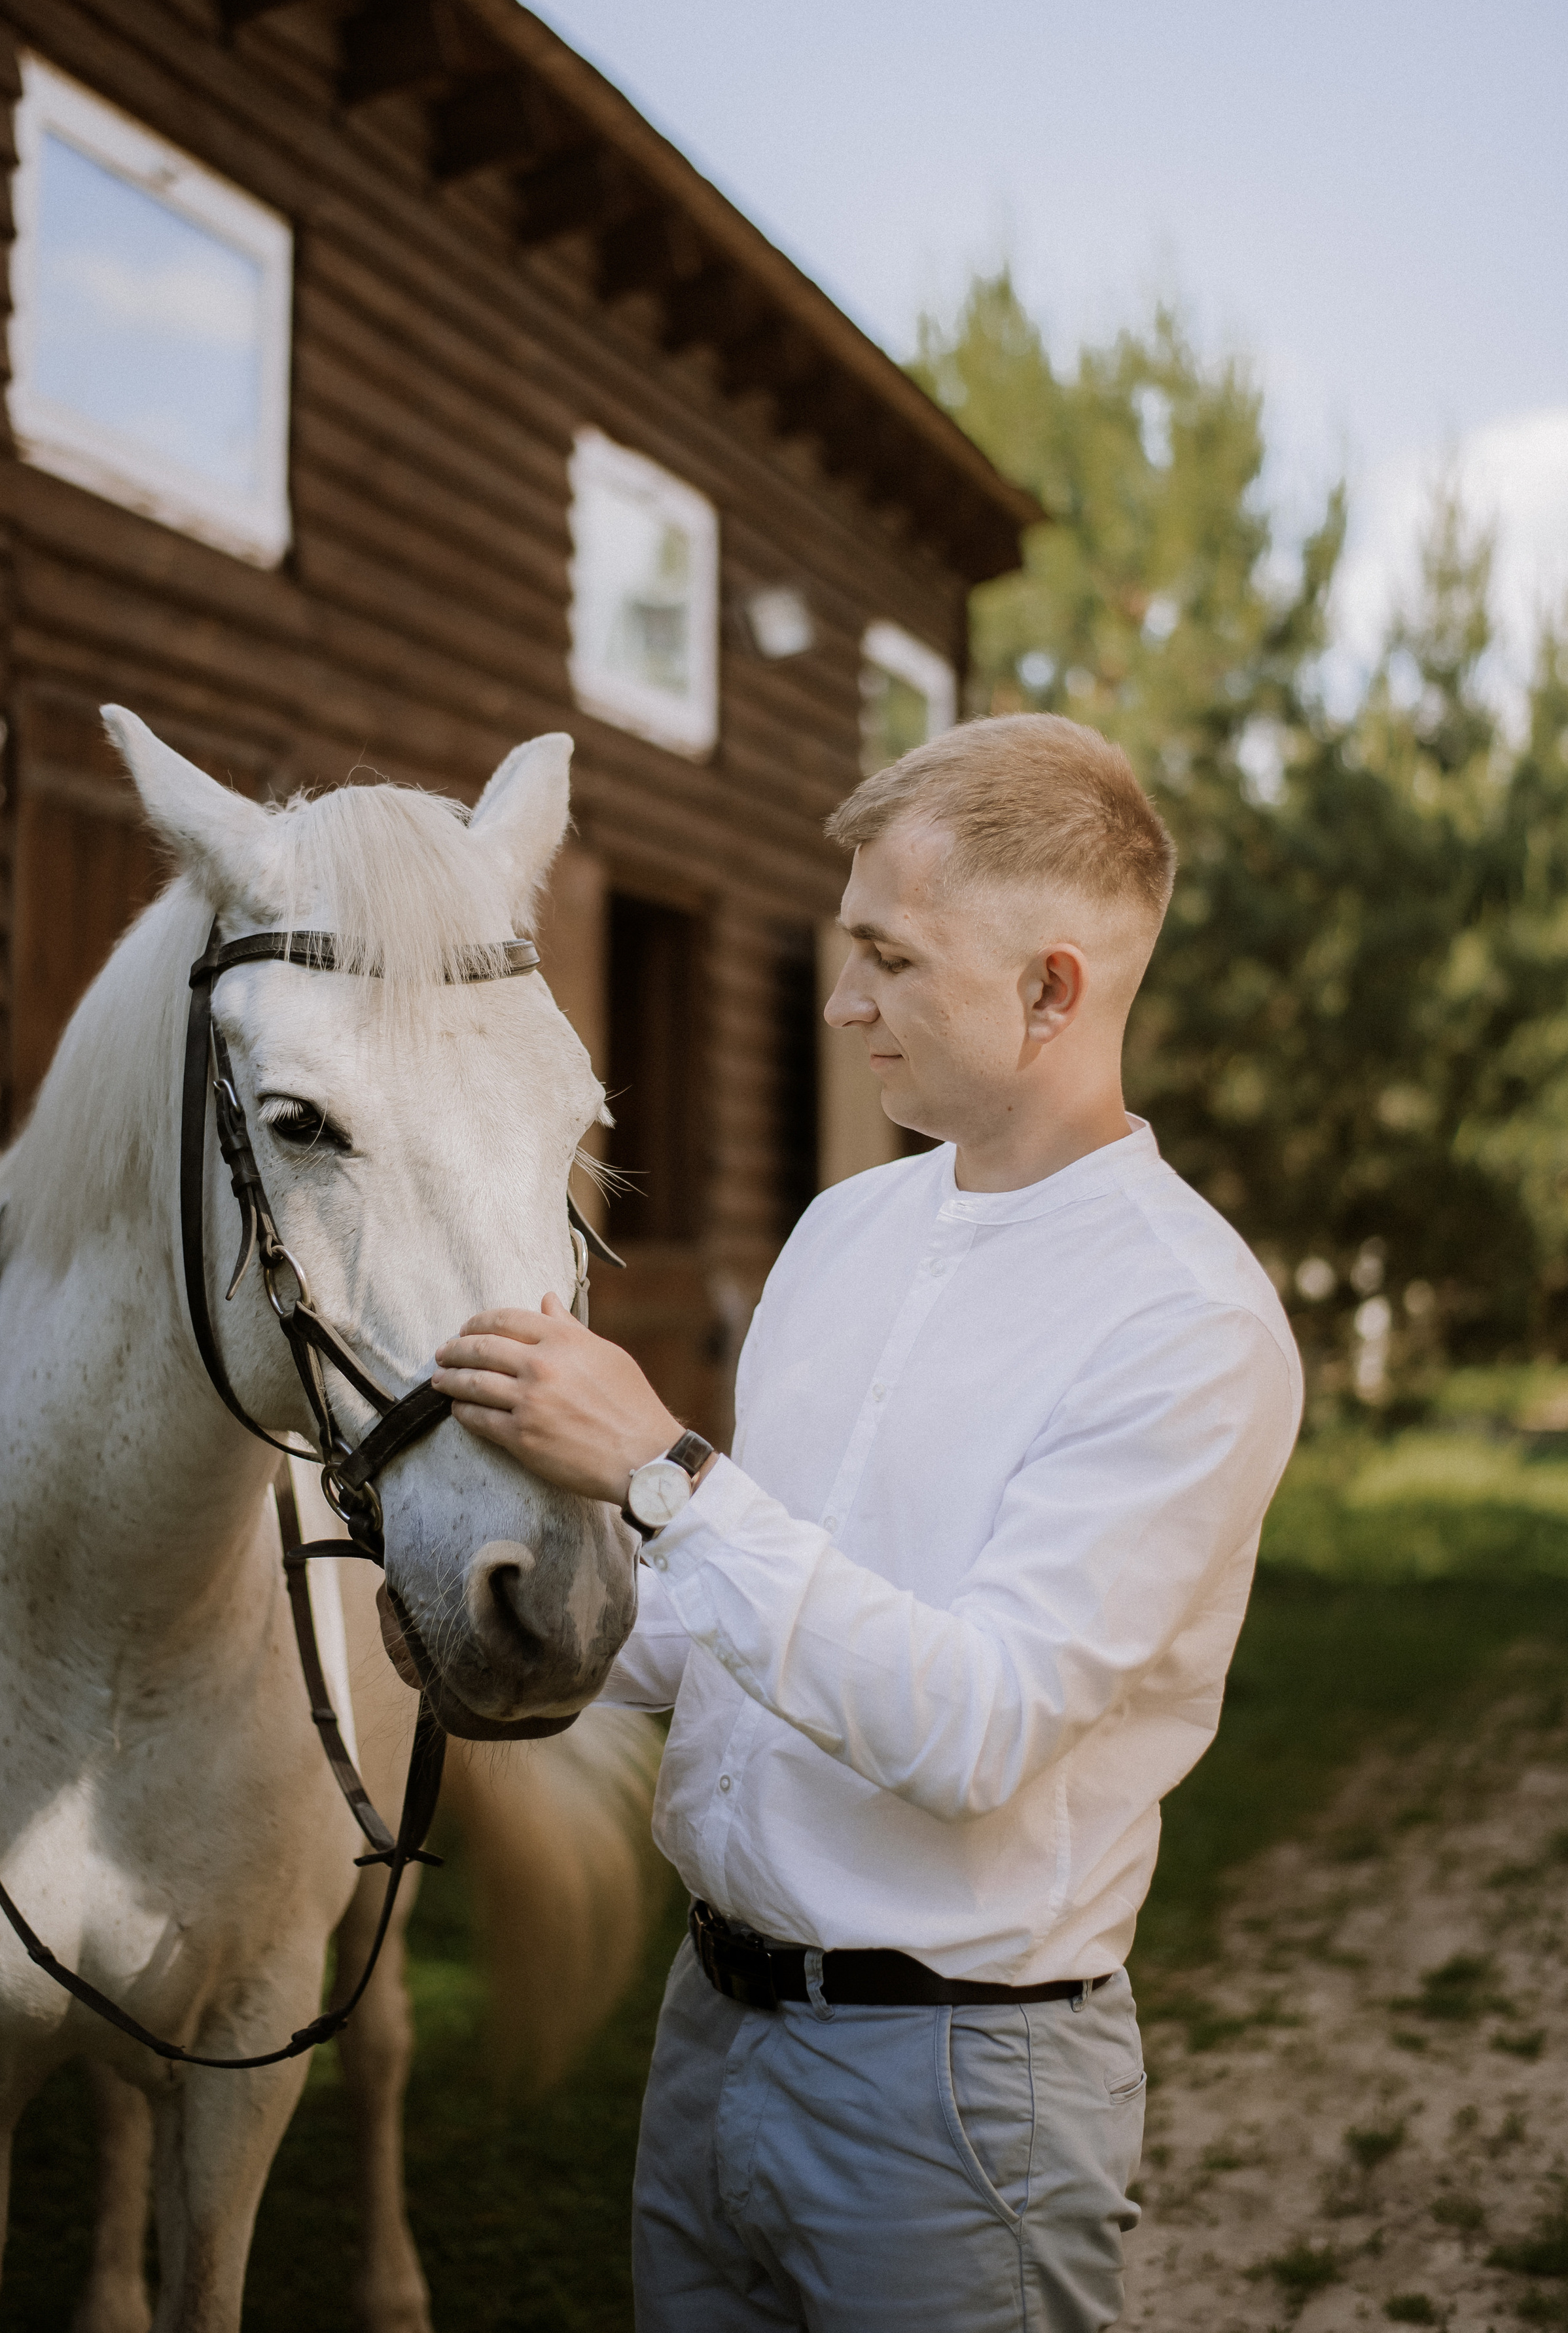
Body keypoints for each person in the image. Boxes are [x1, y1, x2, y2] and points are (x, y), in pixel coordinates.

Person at [431, 714, 1303, 2333]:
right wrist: (471, 1626)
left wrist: (660, 1470)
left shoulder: (1187, 1326)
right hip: (709, 2037)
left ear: (1052, 989)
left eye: (887, 959)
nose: (841, 1005)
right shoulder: (843, 1233)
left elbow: (975, 1732)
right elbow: (720, 1629)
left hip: (955, 2098)